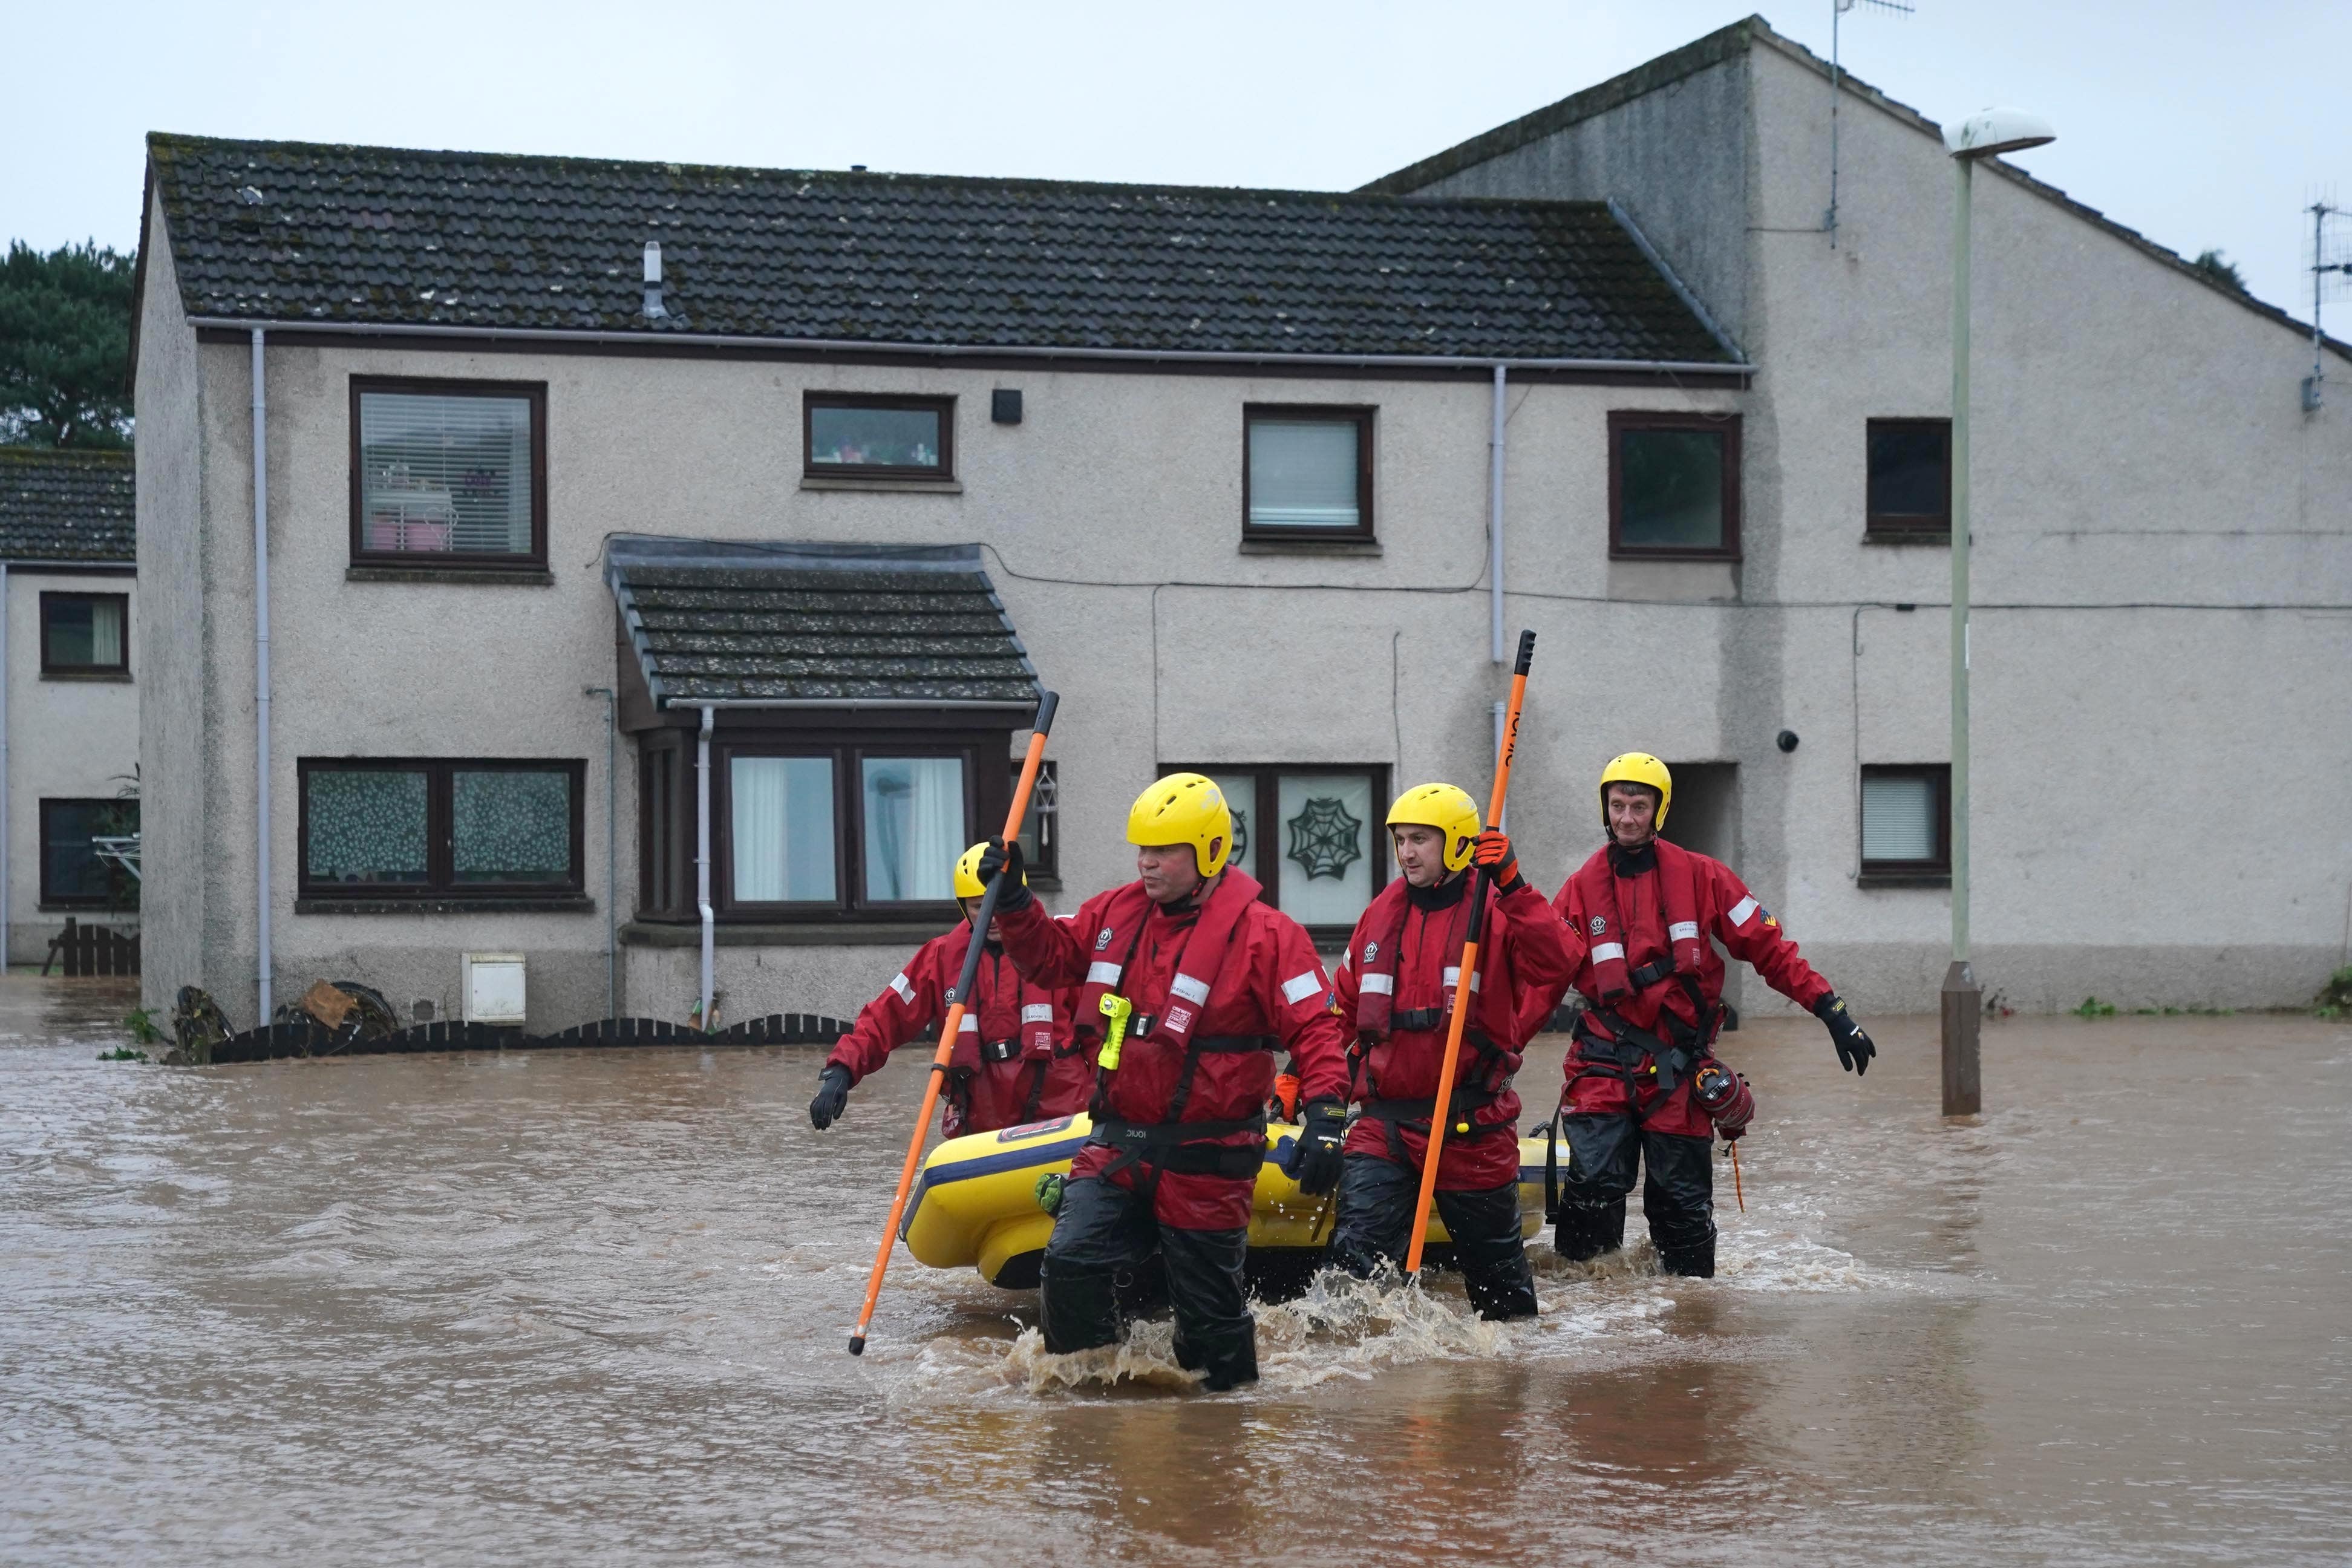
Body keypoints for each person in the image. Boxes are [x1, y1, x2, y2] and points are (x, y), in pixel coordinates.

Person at [974, 773, 1350, 1390]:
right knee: (1069, 1262)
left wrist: (1328, 1115)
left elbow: (1316, 1029)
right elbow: (1047, 956)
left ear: (1207, 851)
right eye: (1142, 849)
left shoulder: (1268, 936)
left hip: (1210, 1155)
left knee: (1209, 1325)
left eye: (1164, 850)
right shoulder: (1114, 913)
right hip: (1119, 1143)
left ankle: (1223, 1431)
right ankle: (1086, 1401)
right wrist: (1015, 901)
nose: (1147, 863)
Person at [1546, 753, 1877, 1278]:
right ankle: (1586, 1306)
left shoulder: (1705, 878)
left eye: (1638, 806)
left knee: (1682, 1206)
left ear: (1660, 811)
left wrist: (1831, 1011)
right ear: (1604, 811)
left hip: (1679, 1070)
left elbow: (1771, 951)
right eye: (1617, 806)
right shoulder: (1577, 890)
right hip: (1601, 1064)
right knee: (1593, 1189)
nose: (1627, 818)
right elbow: (1540, 979)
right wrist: (1496, 1051)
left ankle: (1691, 1318)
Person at [1323, 783, 1570, 1319]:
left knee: (1500, 1292)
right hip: (1384, 1126)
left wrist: (1514, 883)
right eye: (1401, 840)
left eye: (1420, 840)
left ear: (1457, 844)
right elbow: (1339, 1011)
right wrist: (1308, 1085)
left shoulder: (1498, 910)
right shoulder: (1378, 917)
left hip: (1469, 1128)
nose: (1406, 853)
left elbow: (1560, 962)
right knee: (1351, 1270)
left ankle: (1504, 1388)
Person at [808, 843, 1089, 1139]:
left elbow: (1099, 1030)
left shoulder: (1056, 949)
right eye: (980, 906)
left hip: (1060, 1119)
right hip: (982, 1121)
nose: (992, 917)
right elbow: (886, 1017)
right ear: (963, 907)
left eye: (998, 903)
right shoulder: (941, 958)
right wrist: (841, 1071)